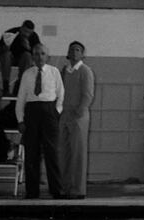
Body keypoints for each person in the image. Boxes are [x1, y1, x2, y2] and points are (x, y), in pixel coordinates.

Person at [15, 43, 65, 199]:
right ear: (33, 56)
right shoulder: (27, 74)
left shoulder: (54, 72)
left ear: (47, 56)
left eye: (42, 53)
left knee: (52, 153)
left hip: (49, 112)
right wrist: (20, 119)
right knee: (31, 154)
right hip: (32, 113)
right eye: (36, 54)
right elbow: (21, 98)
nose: (39, 57)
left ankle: (56, 190)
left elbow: (61, 94)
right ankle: (32, 191)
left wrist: (56, 112)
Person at [60, 40, 95, 200]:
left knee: (78, 153)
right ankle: (64, 187)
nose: (74, 52)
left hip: (78, 116)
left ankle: (77, 189)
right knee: (64, 152)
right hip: (64, 114)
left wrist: (78, 113)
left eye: (78, 49)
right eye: (72, 49)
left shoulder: (85, 71)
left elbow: (88, 95)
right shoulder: (64, 71)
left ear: (82, 54)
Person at [0, 19, 39, 94]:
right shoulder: (11, 33)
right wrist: (4, 48)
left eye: (29, 33)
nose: (26, 34)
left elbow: (38, 52)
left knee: (27, 55)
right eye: (25, 31)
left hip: (24, 61)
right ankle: (6, 86)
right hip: (9, 59)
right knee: (6, 54)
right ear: (21, 28)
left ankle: (20, 84)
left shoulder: (33, 37)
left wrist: (29, 49)